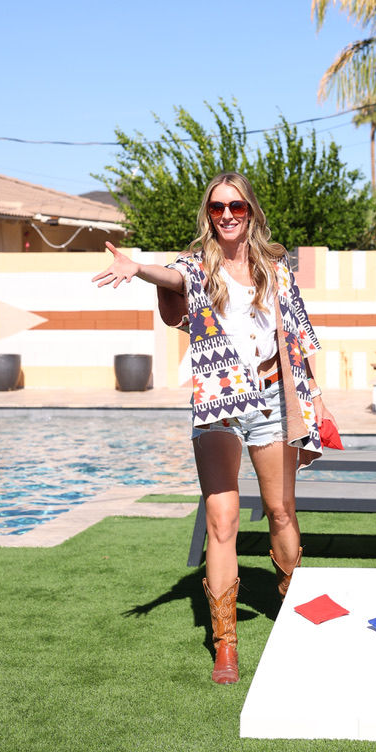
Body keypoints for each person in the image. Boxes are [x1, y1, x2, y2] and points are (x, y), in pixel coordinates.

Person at [93, 171, 333, 685]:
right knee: (221, 518)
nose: (227, 215)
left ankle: (294, 609)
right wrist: (136, 268)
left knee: (280, 509)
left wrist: (320, 403)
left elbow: (299, 337)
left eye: (237, 207)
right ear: (209, 213)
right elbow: (174, 280)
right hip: (219, 405)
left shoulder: (277, 268)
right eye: (218, 207)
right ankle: (226, 642)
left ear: (251, 213)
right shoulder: (198, 267)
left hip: (272, 401)